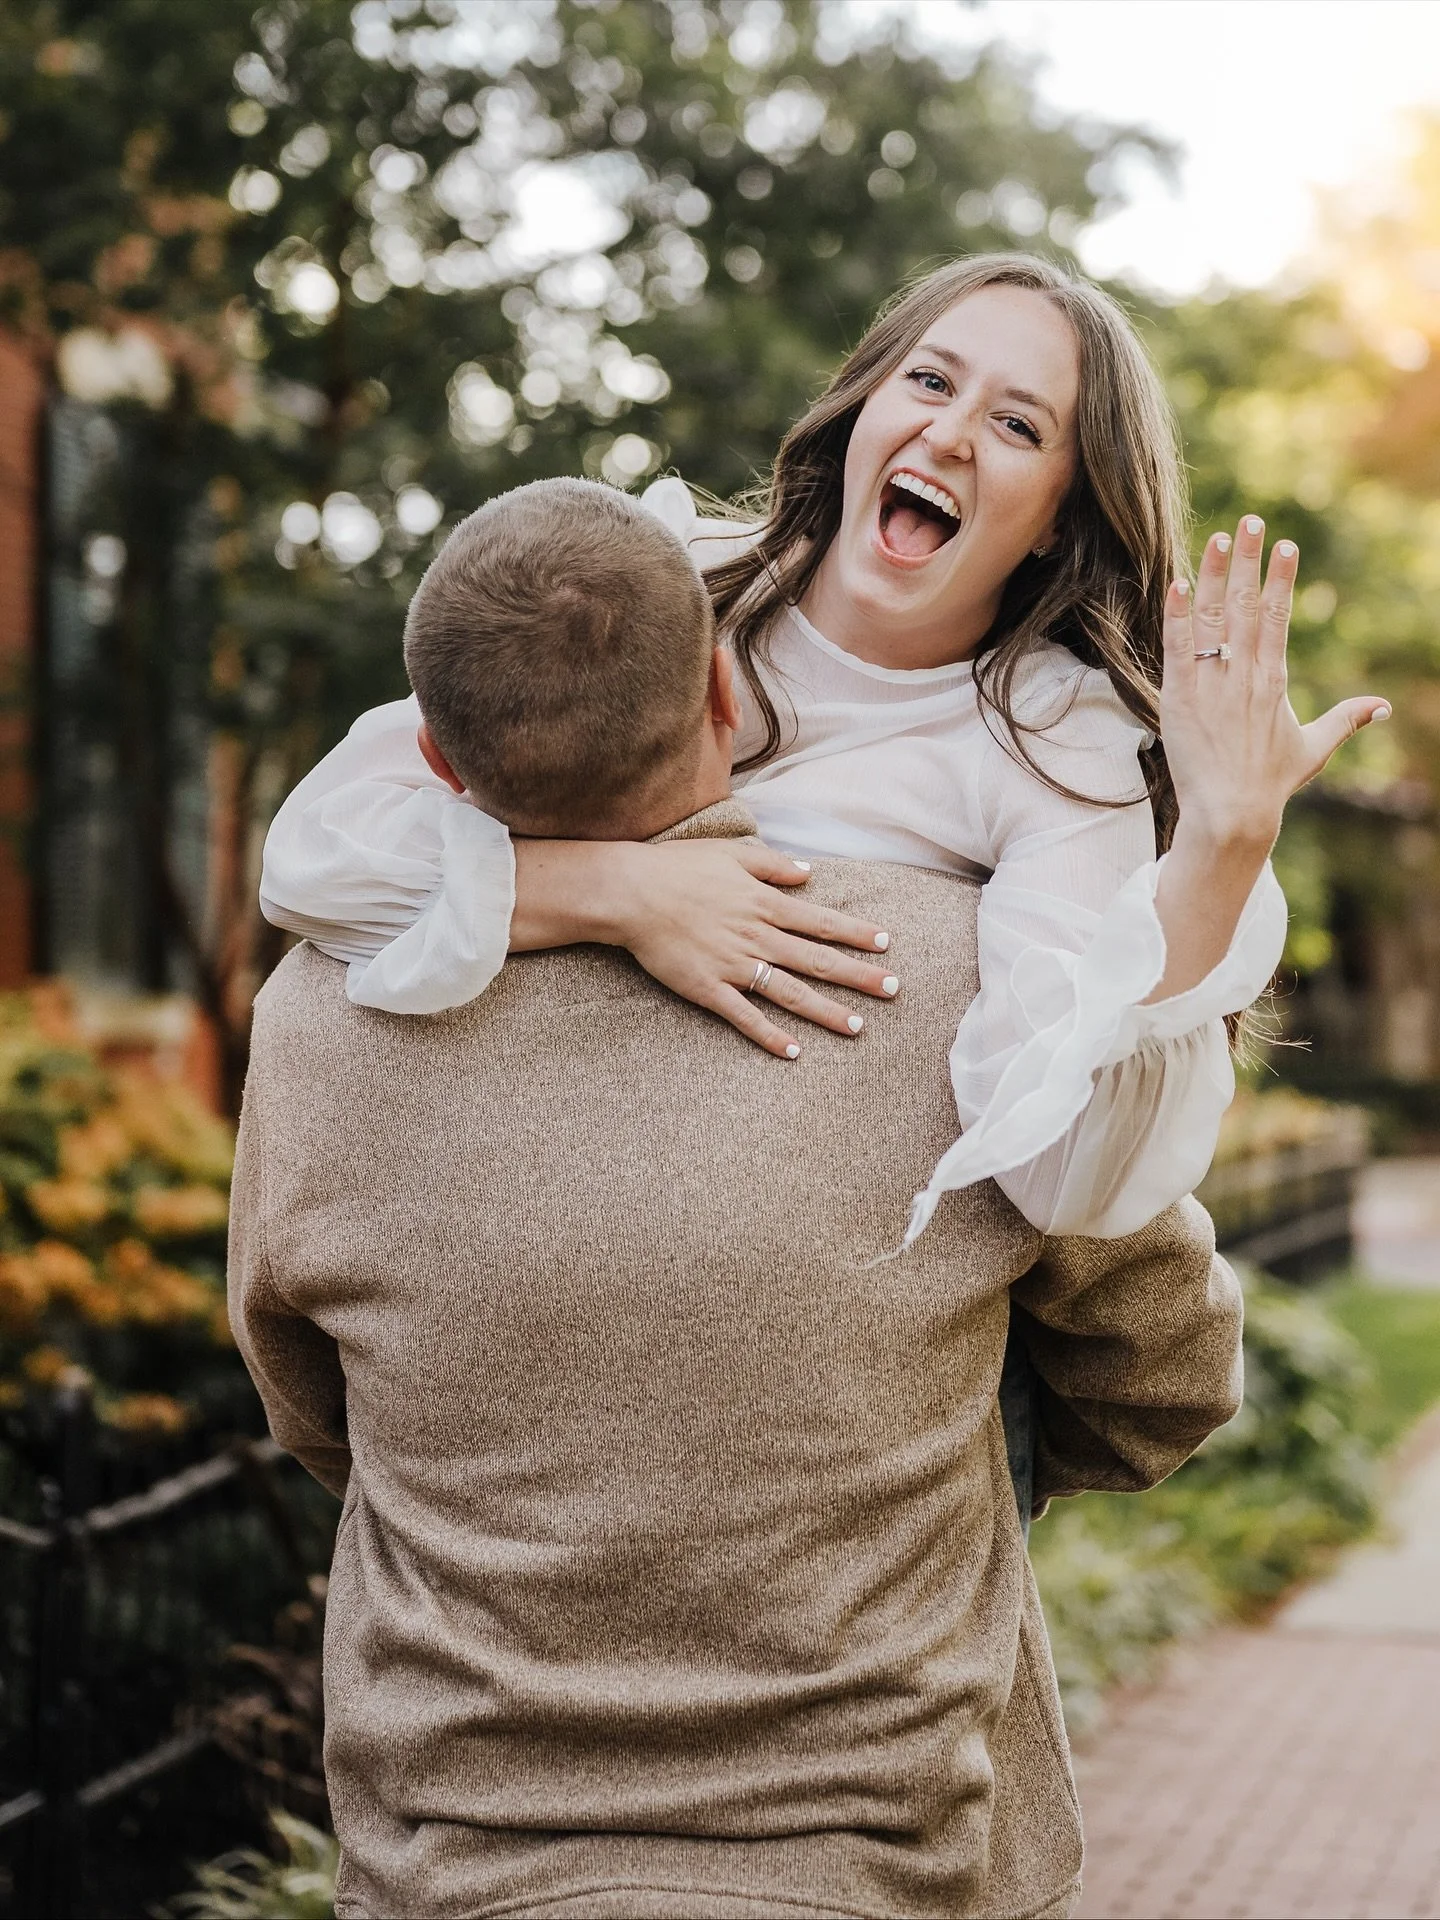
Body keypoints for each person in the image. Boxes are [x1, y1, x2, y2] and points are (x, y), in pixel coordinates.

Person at [230, 476, 1245, 1918]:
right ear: (724, 683)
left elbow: (304, 1395)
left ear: (435, 765)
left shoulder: (317, 1022)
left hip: (452, 1862)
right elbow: (1168, 1379)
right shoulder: (949, 982)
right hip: (883, 1859)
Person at [259, 252, 1389, 1250]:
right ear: (864, 411)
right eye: (932, 381)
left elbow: (1061, 1173)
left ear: (1056, 518)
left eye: (1018, 425)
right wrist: (622, 893)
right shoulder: (662, 577)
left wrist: (1230, 838)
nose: (949, 431)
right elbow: (312, 857)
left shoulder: (1055, 742)